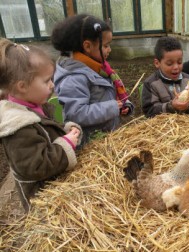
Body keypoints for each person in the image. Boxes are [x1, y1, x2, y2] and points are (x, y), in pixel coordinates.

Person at [0, 38, 82, 212]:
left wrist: (65, 132)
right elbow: (36, 166)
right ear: (22, 86)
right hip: (42, 201)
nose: (52, 85)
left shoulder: (32, 104)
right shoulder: (17, 125)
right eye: (46, 81)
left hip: (55, 190)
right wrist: (65, 145)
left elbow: (45, 133)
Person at [51, 14, 134, 146]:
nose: (110, 50)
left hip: (107, 138)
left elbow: (111, 92)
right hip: (90, 144)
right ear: (88, 46)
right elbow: (76, 114)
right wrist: (112, 107)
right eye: (106, 45)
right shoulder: (74, 77)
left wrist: (125, 105)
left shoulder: (99, 67)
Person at [142, 36, 189, 118]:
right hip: (164, 128)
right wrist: (171, 106)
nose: (176, 67)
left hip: (187, 127)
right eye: (169, 64)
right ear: (157, 63)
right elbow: (149, 111)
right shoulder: (151, 84)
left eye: (179, 62)